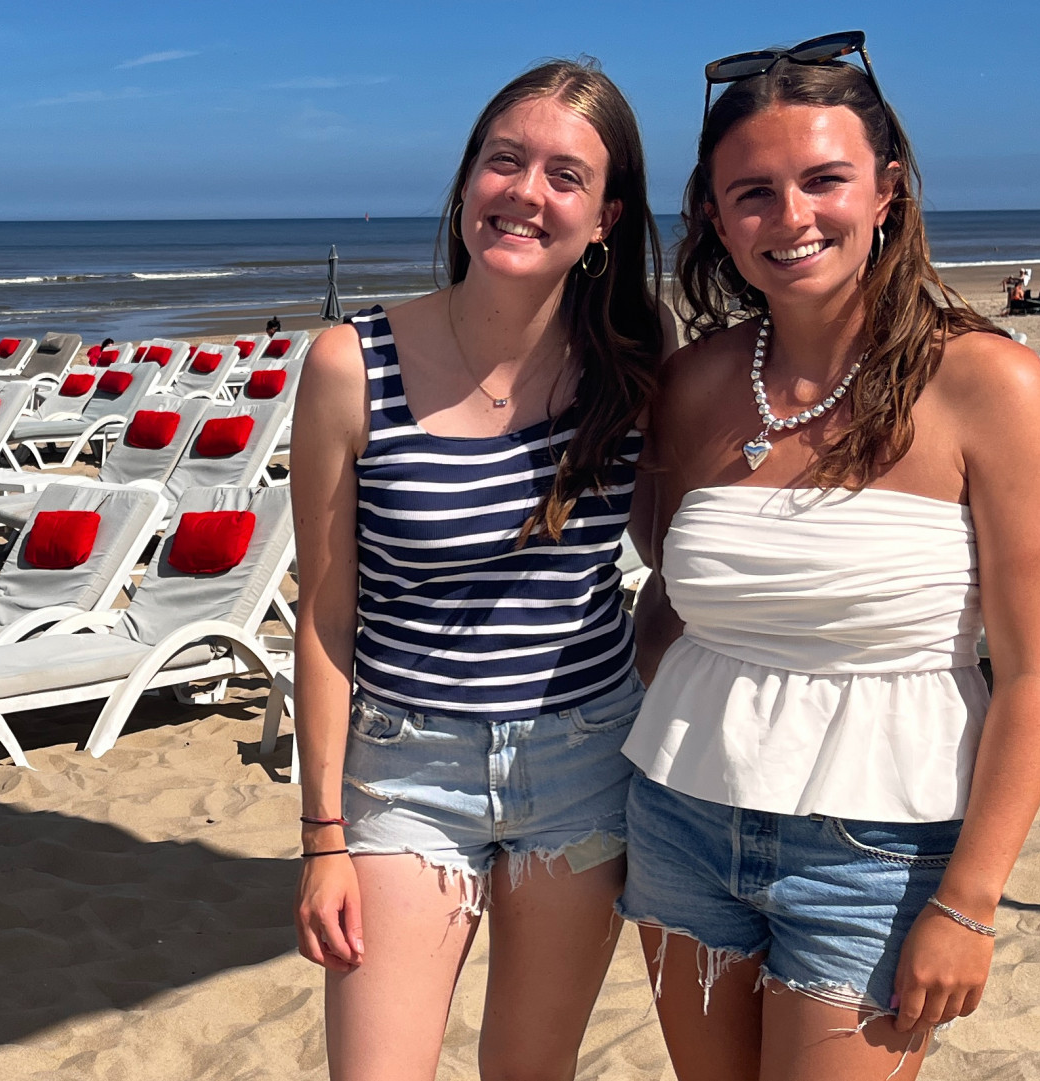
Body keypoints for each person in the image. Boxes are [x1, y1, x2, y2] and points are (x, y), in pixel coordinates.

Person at [622, 36, 1040, 1079]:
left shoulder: (989, 385)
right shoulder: (693, 384)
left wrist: (970, 902)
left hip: (879, 845)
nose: (791, 217)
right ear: (714, 215)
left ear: (887, 188)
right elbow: (670, 594)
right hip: (681, 814)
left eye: (824, 179)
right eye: (753, 193)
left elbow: (1038, 673)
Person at [290, 59, 668, 1080]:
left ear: (605, 218)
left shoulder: (633, 370)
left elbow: (683, 566)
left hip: (586, 762)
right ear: (466, 181)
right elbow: (324, 617)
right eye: (505, 161)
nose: (525, 193)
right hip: (404, 770)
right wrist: (322, 835)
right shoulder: (350, 365)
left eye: (564, 175)